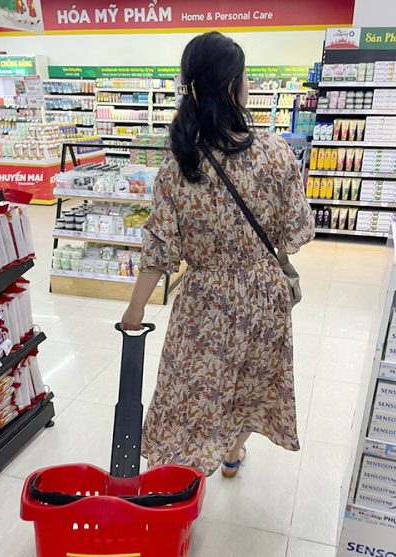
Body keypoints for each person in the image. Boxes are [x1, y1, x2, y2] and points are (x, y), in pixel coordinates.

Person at [121, 31, 314, 477]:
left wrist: (135, 309)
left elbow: (159, 246)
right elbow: (297, 230)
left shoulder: (179, 161)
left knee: (192, 388)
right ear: (233, 86)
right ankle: (232, 452)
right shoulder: (275, 153)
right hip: (263, 294)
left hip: (205, 300)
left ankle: (183, 476)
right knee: (251, 382)